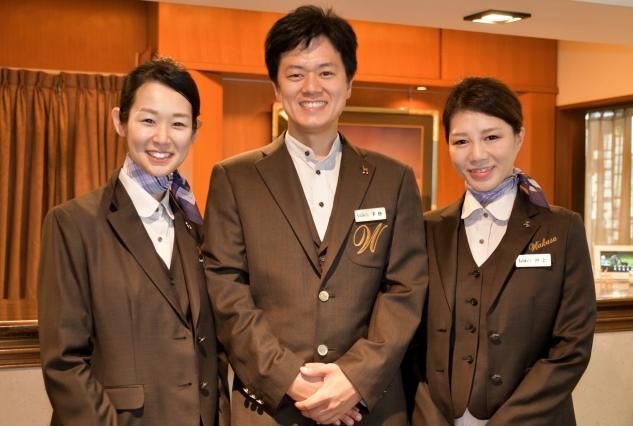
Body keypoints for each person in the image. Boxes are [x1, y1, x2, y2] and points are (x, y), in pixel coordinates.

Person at [201, 5, 428, 425]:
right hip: (270, 408)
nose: (311, 87)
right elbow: (226, 291)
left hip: (368, 408)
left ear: (349, 83)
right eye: (295, 73)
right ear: (276, 86)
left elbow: (405, 289)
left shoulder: (393, 179)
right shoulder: (234, 179)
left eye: (326, 72)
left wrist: (354, 378)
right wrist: (290, 378)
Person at [38, 58, 222, 425]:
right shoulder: (72, 223)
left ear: (195, 131)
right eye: (148, 120)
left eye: (178, 123)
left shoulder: (196, 225)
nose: (162, 138)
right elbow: (64, 362)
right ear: (119, 121)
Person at [410, 77, 597, 425]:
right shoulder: (426, 229)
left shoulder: (561, 229)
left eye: (492, 137)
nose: (477, 155)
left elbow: (572, 347)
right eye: (461, 141)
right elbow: (407, 338)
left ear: (519, 137)